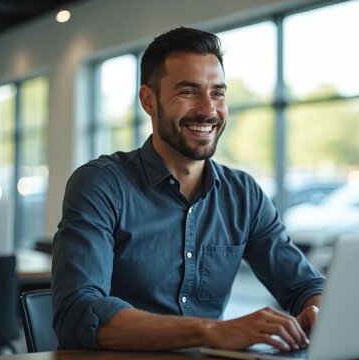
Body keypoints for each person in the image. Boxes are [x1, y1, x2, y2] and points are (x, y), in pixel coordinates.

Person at [51, 26, 325, 352]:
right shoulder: (101, 184)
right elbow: (77, 314)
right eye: (189, 92)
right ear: (148, 101)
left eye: (218, 93)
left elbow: (304, 285)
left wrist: (317, 309)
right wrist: (210, 331)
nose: (209, 110)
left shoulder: (244, 195)